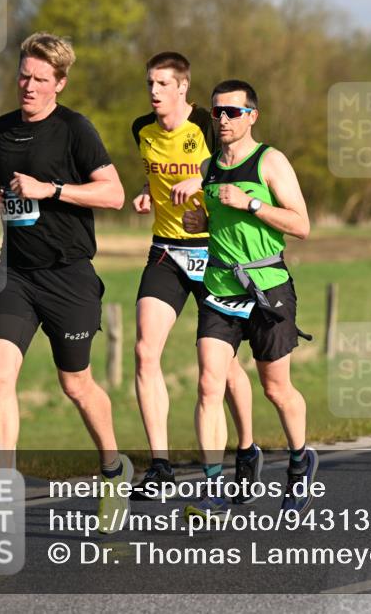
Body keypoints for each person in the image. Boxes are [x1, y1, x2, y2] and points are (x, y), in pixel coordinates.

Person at [0, 33, 129, 532]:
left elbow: (114, 195)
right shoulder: (0, 129)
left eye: (41, 79)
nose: (29, 86)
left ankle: (112, 469)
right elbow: (11, 189)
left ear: (59, 83)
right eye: (24, 75)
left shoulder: (75, 130)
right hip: (15, 273)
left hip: (69, 275)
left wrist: (53, 190)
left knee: (76, 384)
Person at [177, 79, 317, 514]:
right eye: (217, 112)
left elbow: (301, 225)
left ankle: (299, 462)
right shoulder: (208, 166)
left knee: (276, 388)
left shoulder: (270, 161)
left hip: (266, 287)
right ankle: (214, 486)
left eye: (232, 112)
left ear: (251, 115)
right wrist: (198, 219)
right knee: (208, 383)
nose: (222, 119)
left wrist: (250, 204)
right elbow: (211, 224)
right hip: (219, 287)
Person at [129, 53, 261, 502]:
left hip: (214, 251)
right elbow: (155, 177)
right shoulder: (141, 130)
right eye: (150, 82)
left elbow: (233, 168)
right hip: (166, 250)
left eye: (163, 84)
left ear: (182, 88)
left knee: (222, 369)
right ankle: (161, 465)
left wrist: (200, 184)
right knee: (145, 351)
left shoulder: (208, 123)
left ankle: (246, 449)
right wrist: (147, 194)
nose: (154, 91)